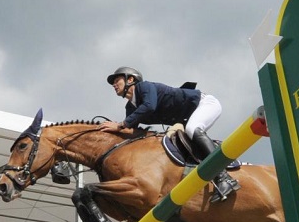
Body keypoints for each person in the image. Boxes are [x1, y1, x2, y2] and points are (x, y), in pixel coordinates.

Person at [101, 66, 239, 202]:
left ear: (130, 79)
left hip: (205, 104)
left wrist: (120, 125)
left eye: (116, 80)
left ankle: (224, 177)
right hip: (189, 117)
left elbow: (149, 106)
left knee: (192, 129)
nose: (114, 84)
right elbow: (132, 131)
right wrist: (114, 132)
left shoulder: (144, 87)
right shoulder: (130, 107)